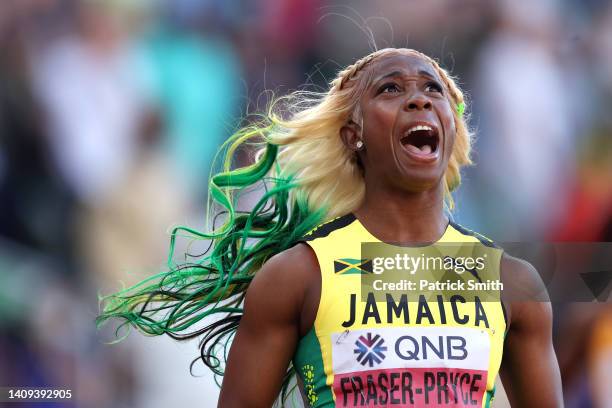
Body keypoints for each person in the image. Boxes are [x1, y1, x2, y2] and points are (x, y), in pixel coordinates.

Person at [97, 47, 563, 407]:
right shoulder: (298, 276)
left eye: (432, 89)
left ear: (451, 126)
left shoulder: (512, 283)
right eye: (390, 89)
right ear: (352, 134)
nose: (419, 98)